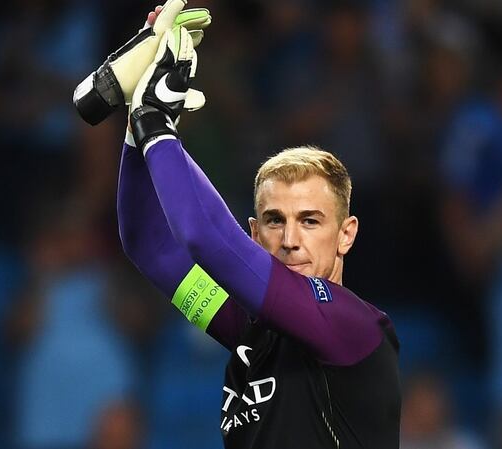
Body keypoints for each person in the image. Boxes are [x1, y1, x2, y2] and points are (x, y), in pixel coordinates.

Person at [85, 3, 401, 448]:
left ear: (346, 233)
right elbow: (147, 244)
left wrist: (155, 121)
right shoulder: (248, 328)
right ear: (254, 235)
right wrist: (140, 125)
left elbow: (203, 236)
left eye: (310, 221)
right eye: (275, 221)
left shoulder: (353, 324)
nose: (290, 240)